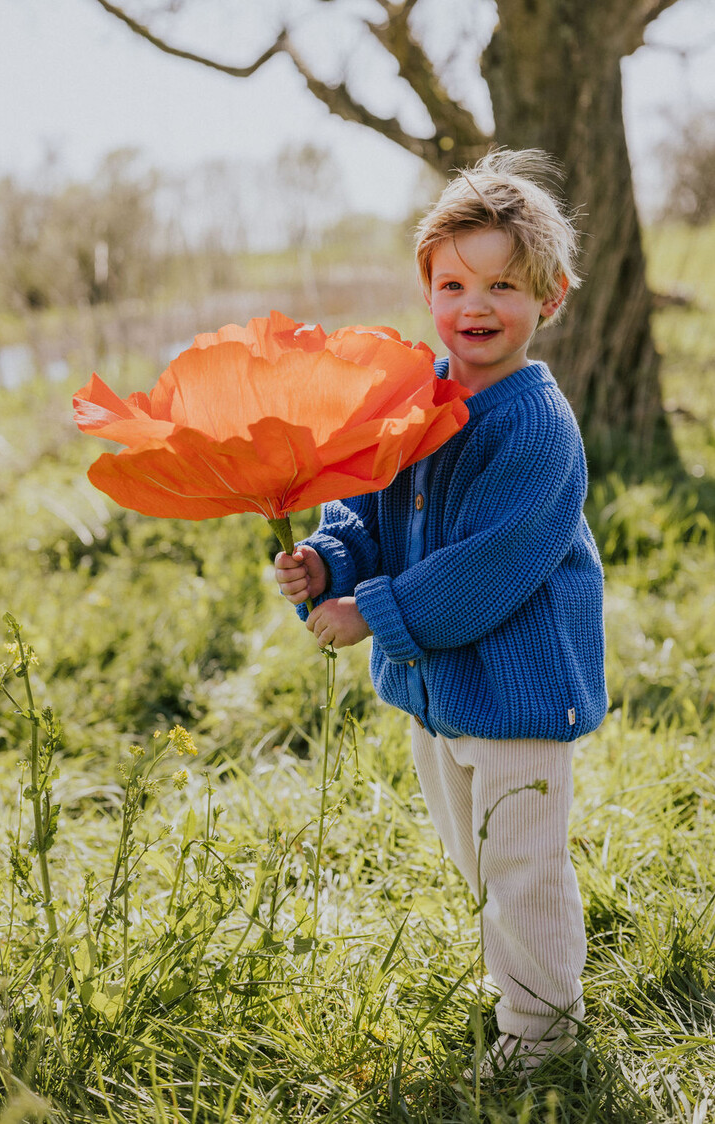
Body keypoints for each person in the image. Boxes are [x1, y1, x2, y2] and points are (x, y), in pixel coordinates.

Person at [274, 148, 608, 1077]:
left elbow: (486, 569)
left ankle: (544, 1038)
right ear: (427, 288)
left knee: (522, 865)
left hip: (522, 689)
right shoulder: (412, 396)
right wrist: (330, 558)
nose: (476, 306)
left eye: (505, 285)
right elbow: (367, 504)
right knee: (477, 857)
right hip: (442, 689)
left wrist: (368, 611)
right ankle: (524, 983)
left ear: (551, 297)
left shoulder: (538, 430)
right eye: (454, 282)